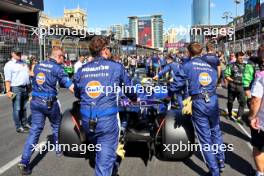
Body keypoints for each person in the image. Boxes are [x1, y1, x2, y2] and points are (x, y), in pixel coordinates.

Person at [74, 36, 136, 176]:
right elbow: (129, 90)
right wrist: (134, 98)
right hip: (106, 120)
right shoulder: (116, 66)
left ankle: (111, 169)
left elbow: (78, 93)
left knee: (100, 153)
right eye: (107, 48)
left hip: (87, 120)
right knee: (103, 165)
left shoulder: (82, 69)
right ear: (104, 50)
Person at [17, 47, 74, 175]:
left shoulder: (38, 65)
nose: (64, 60)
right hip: (49, 103)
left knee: (35, 131)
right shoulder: (58, 69)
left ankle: (24, 161)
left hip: (36, 101)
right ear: (59, 56)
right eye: (63, 57)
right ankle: (59, 149)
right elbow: (70, 86)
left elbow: (33, 76)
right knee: (56, 125)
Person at [181, 42, 225, 176]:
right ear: (201, 52)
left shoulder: (187, 65)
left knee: (205, 138)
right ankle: (221, 160)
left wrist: (171, 92)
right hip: (212, 100)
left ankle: (214, 171)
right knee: (216, 131)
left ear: (189, 53)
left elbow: (178, 83)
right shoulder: (210, 67)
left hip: (199, 102)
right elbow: (216, 80)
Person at [4, 47, 31, 133]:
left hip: (25, 88)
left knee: (24, 108)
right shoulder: (9, 65)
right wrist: (8, 91)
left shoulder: (23, 62)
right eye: (17, 53)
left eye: (20, 53)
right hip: (16, 88)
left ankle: (25, 123)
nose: (19, 54)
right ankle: (19, 126)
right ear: (12, 54)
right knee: (17, 108)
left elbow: (27, 75)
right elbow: (7, 80)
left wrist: (29, 88)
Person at [249, 70, 264, 176]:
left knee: (258, 149)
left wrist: (252, 117)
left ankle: (260, 172)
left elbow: (255, 100)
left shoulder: (261, 76)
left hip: (262, 122)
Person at [225, 52, 246, 122]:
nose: (242, 59)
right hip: (232, 86)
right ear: (236, 58)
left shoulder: (246, 65)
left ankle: (239, 116)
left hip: (242, 87)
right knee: (230, 101)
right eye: (240, 58)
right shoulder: (231, 65)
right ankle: (230, 113)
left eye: (243, 58)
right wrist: (233, 80)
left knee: (242, 102)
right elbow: (227, 76)